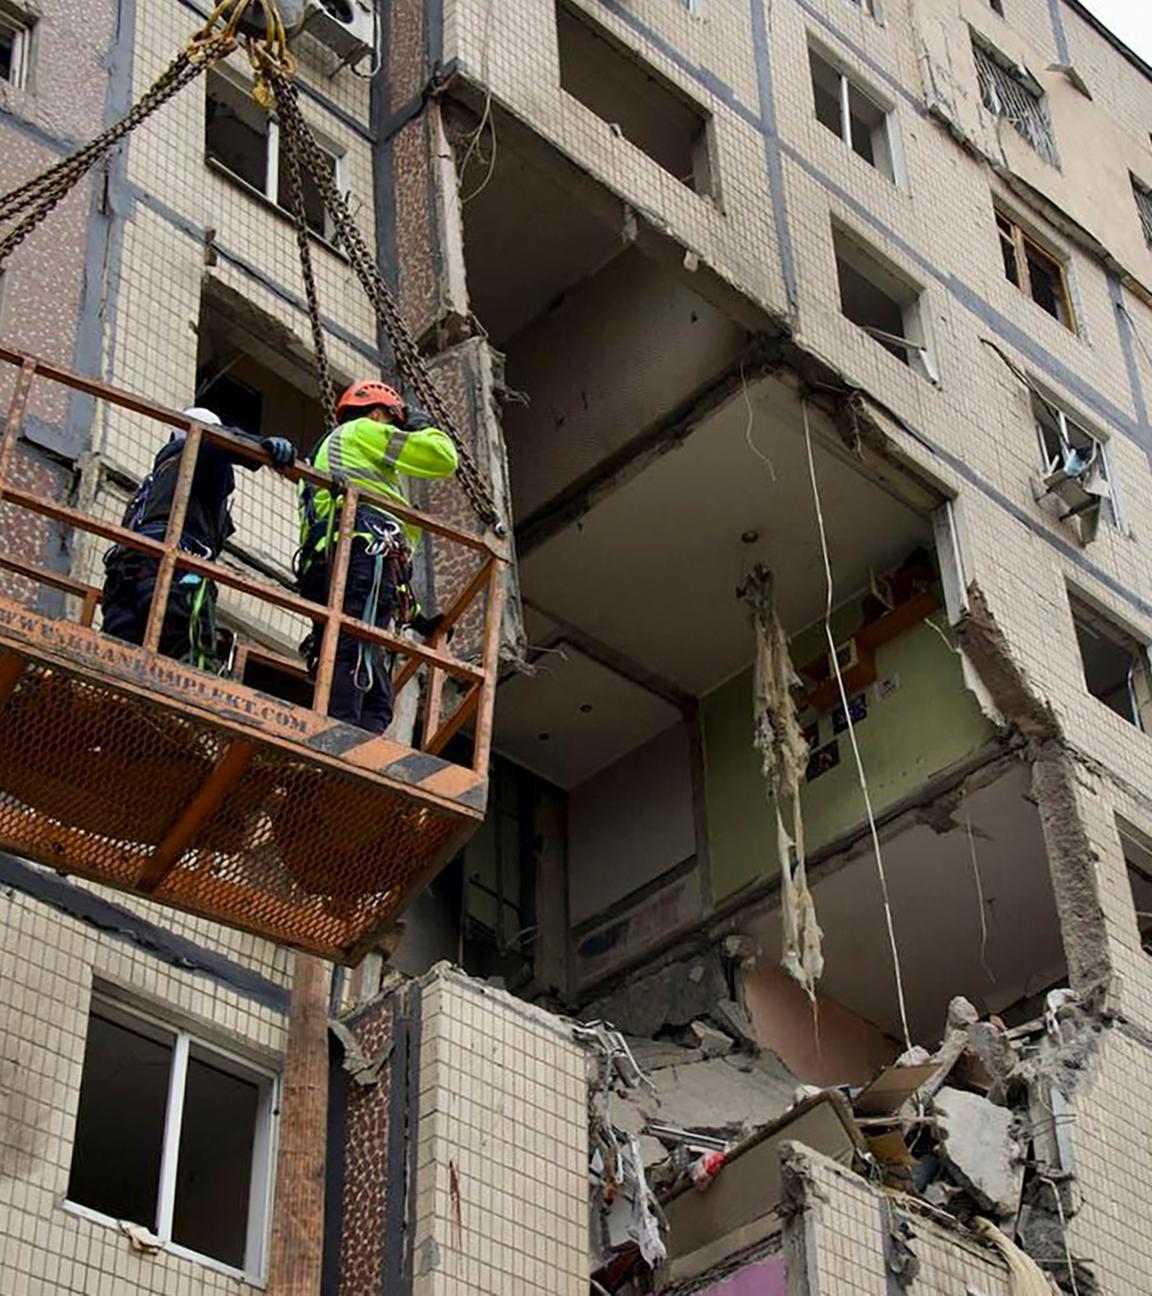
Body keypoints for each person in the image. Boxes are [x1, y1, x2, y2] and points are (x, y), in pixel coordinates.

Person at [297, 379, 458, 733]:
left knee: (374, 687)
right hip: (362, 554)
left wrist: (416, 617)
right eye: (391, 422)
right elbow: (443, 457)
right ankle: (339, 737)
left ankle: (358, 742)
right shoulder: (363, 431)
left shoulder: (331, 456)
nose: (393, 431)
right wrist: (421, 425)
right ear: (375, 414)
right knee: (354, 654)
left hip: (337, 564)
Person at [102, 407, 295, 668]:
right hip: (174, 566)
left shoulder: (151, 485)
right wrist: (260, 447)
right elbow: (216, 442)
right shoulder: (195, 452)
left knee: (116, 653)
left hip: (124, 574)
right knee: (188, 652)